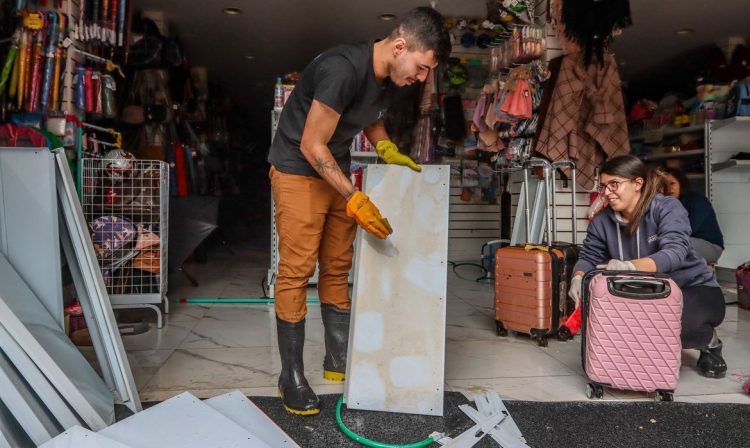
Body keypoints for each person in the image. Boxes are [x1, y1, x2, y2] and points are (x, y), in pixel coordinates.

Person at [266, 7, 451, 415]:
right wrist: (355, 197)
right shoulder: (341, 69)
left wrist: (384, 147)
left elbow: (369, 117)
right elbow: (311, 146)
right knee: (297, 270)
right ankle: (290, 377)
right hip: (299, 170)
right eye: (421, 67)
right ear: (400, 46)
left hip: (335, 171)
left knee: (337, 266)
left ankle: (338, 359)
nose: (421, 78)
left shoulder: (388, 78)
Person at [568, 155, 727, 379]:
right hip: (643, 293)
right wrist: (578, 277)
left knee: (672, 325)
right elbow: (589, 256)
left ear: (637, 183)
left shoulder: (667, 207)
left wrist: (629, 266)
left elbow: (675, 253)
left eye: (614, 184)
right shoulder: (603, 222)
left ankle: (710, 343)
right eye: (603, 186)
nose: (607, 192)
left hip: (692, 288)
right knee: (630, 332)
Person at [663, 167, 724, 264]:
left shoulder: (696, 200)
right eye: (664, 185)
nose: (669, 189)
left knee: (675, 240)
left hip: (711, 247)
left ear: (681, 184)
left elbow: (689, 230)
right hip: (685, 242)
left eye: (672, 184)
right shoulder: (666, 203)